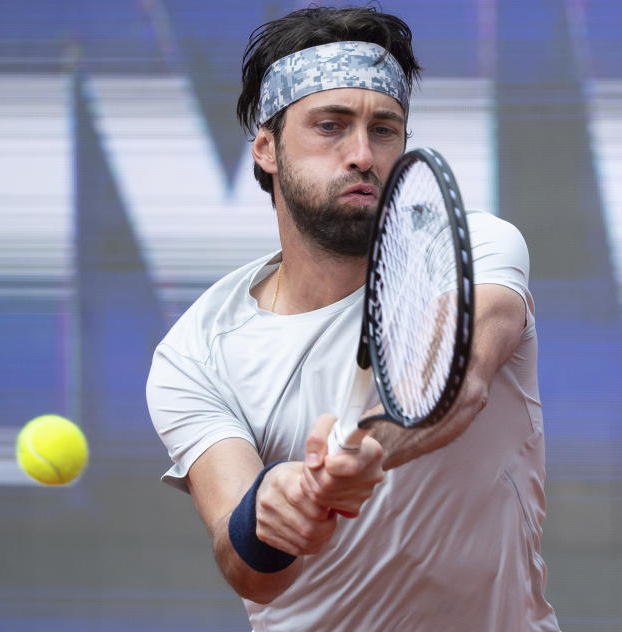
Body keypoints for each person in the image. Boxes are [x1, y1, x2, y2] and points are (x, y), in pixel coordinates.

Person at [146, 6, 560, 631]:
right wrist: (271, 516)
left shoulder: (473, 246)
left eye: (385, 129)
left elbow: (459, 383)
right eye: (330, 126)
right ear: (266, 149)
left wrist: (363, 450)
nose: (362, 154)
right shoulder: (196, 355)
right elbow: (249, 570)